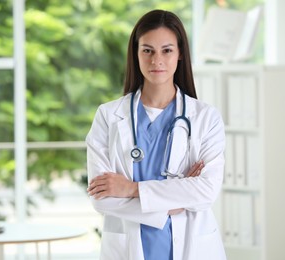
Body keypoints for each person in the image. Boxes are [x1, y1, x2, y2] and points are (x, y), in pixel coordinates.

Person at [86, 9, 226, 260]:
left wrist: (130, 189)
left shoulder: (206, 118)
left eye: (167, 50)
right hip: (126, 248)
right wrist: (175, 202)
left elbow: (206, 191)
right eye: (147, 50)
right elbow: (101, 199)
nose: (156, 60)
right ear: (136, 53)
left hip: (193, 247)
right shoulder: (108, 116)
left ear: (180, 53)